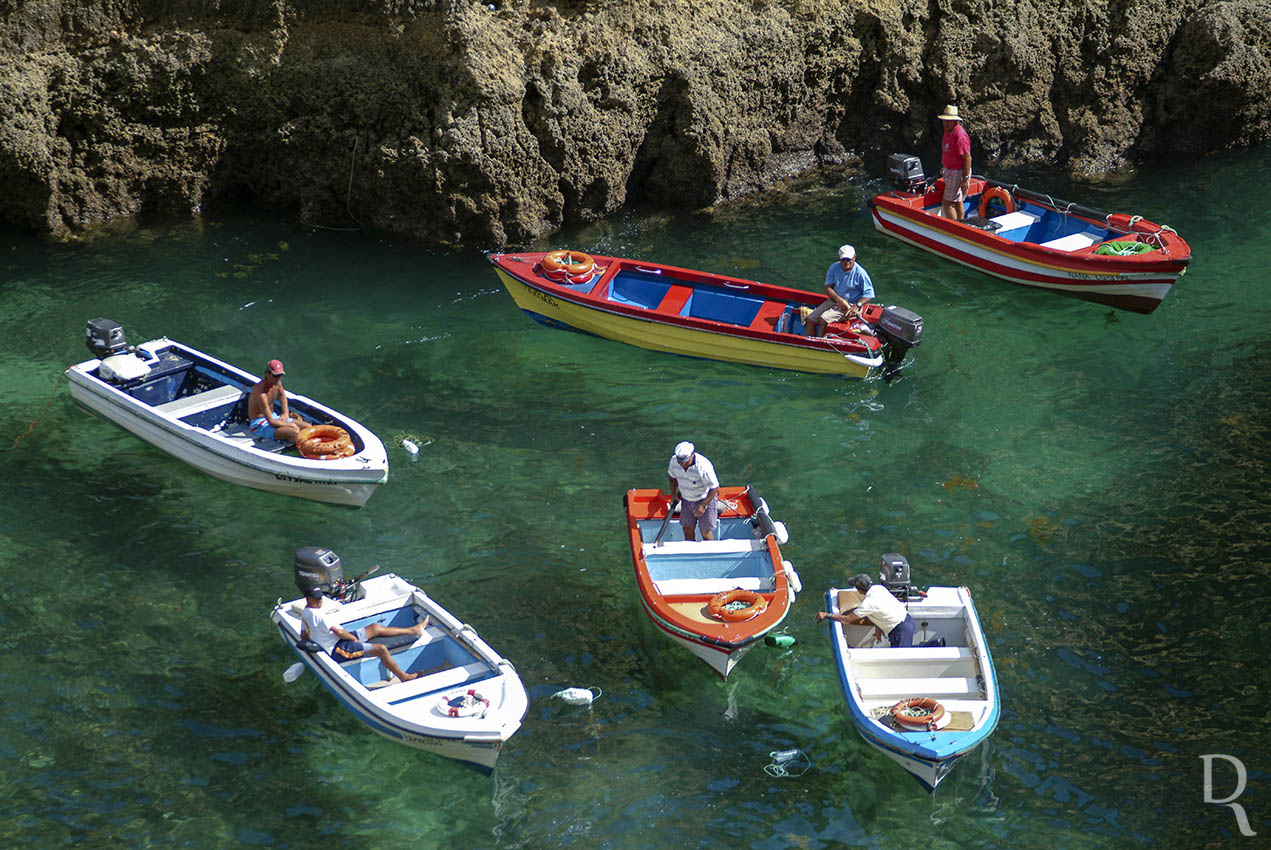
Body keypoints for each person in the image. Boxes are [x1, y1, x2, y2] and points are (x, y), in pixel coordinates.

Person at [299, 586, 430, 681]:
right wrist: (352, 639)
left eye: (320, 598)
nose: (319, 601)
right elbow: (338, 631)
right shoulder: (319, 615)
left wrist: (315, 641)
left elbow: (303, 634)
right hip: (338, 649)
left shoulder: (305, 612)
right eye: (316, 599)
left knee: (375, 628)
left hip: (339, 641)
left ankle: (414, 630)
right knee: (381, 649)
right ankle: (403, 676)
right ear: (308, 598)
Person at [814, 573, 945, 648]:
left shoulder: (868, 604)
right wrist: (878, 627)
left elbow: (848, 619)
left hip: (899, 629)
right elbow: (881, 609)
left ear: (859, 590)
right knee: (904, 652)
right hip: (907, 619)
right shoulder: (879, 588)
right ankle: (936, 644)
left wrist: (827, 615)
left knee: (901, 656)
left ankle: (935, 645)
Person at [804, 244, 874, 338]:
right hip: (834, 301)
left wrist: (857, 306)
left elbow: (869, 294)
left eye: (849, 259)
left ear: (854, 258)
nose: (846, 262)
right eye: (843, 259)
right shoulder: (834, 267)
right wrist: (839, 300)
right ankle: (809, 342)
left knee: (823, 319)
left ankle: (821, 342)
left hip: (851, 305)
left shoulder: (861, 273)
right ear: (839, 258)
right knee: (811, 319)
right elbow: (828, 287)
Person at [666, 441, 720, 541]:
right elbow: (672, 476)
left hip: (704, 498)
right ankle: (691, 551)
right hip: (686, 499)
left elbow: (714, 487)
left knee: (705, 530)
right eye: (680, 462)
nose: (683, 464)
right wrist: (673, 493)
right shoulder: (674, 462)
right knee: (687, 528)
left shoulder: (703, 466)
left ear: (692, 454)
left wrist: (704, 505)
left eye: (686, 461)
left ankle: (709, 553)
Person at [247, 359, 307, 443]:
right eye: (275, 376)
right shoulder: (261, 394)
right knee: (294, 432)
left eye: (280, 375)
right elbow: (271, 422)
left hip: (274, 417)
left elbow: (282, 396)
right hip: (260, 425)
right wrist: (291, 425)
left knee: (308, 427)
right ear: (267, 374)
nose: (278, 378)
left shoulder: (277, 383)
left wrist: (285, 412)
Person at [938, 104, 972, 221]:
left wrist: (965, 178)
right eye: (944, 121)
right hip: (950, 169)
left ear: (955, 121)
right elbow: (948, 151)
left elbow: (967, 157)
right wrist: (945, 166)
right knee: (958, 200)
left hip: (958, 172)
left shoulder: (960, 136)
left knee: (947, 203)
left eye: (949, 121)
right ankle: (960, 223)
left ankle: (953, 226)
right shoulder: (947, 131)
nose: (945, 124)